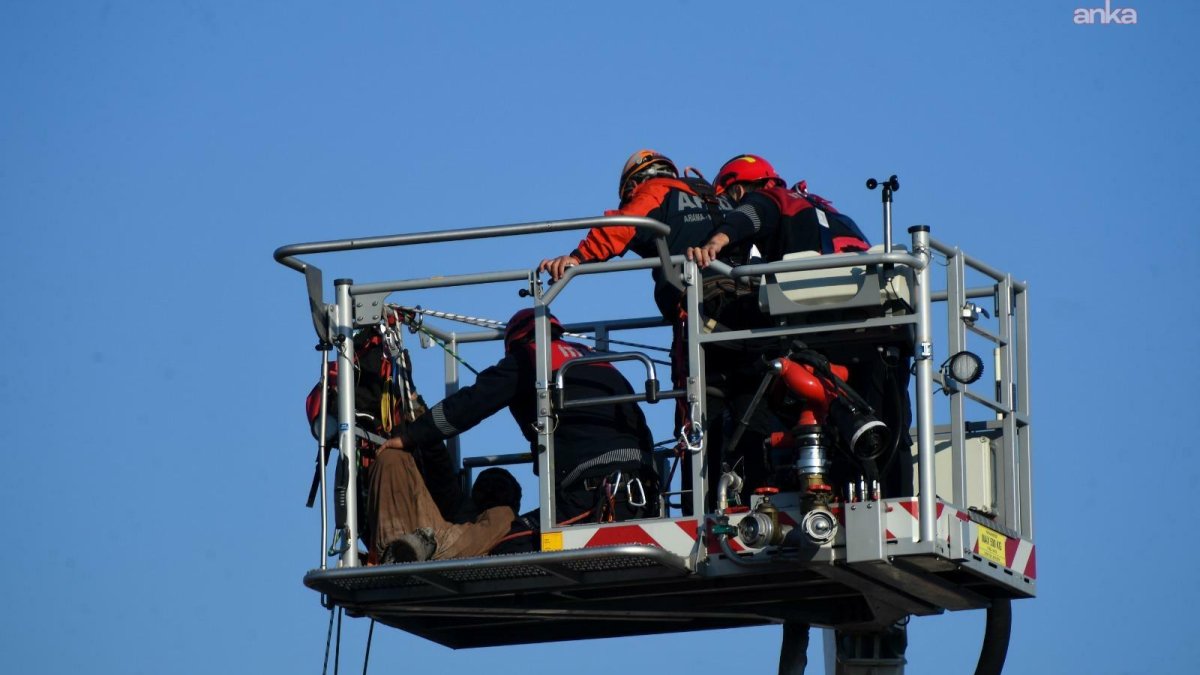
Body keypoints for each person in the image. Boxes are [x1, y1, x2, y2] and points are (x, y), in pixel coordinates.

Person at [370, 308, 658, 563]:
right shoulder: (602, 364)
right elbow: (642, 430)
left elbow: (469, 404)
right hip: (640, 496)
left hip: (593, 497)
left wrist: (411, 435)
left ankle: (423, 549)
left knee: (502, 548)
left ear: (515, 342)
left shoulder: (530, 357)